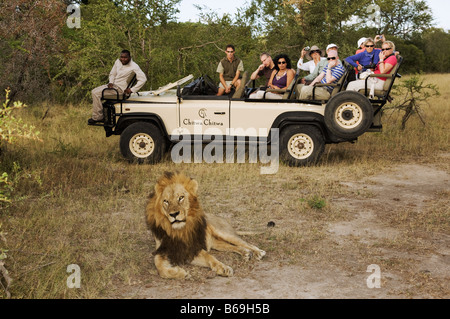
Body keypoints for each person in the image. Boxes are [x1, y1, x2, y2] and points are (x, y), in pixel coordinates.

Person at [88, 50, 147, 124]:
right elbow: (112, 73)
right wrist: (110, 82)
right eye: (121, 57)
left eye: (125, 57)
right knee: (94, 91)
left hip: (120, 90)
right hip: (113, 86)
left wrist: (132, 90)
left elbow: (143, 79)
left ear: (129, 57)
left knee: (96, 93)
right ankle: (102, 114)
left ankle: (98, 117)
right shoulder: (118, 62)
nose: (123, 59)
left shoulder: (134, 66)